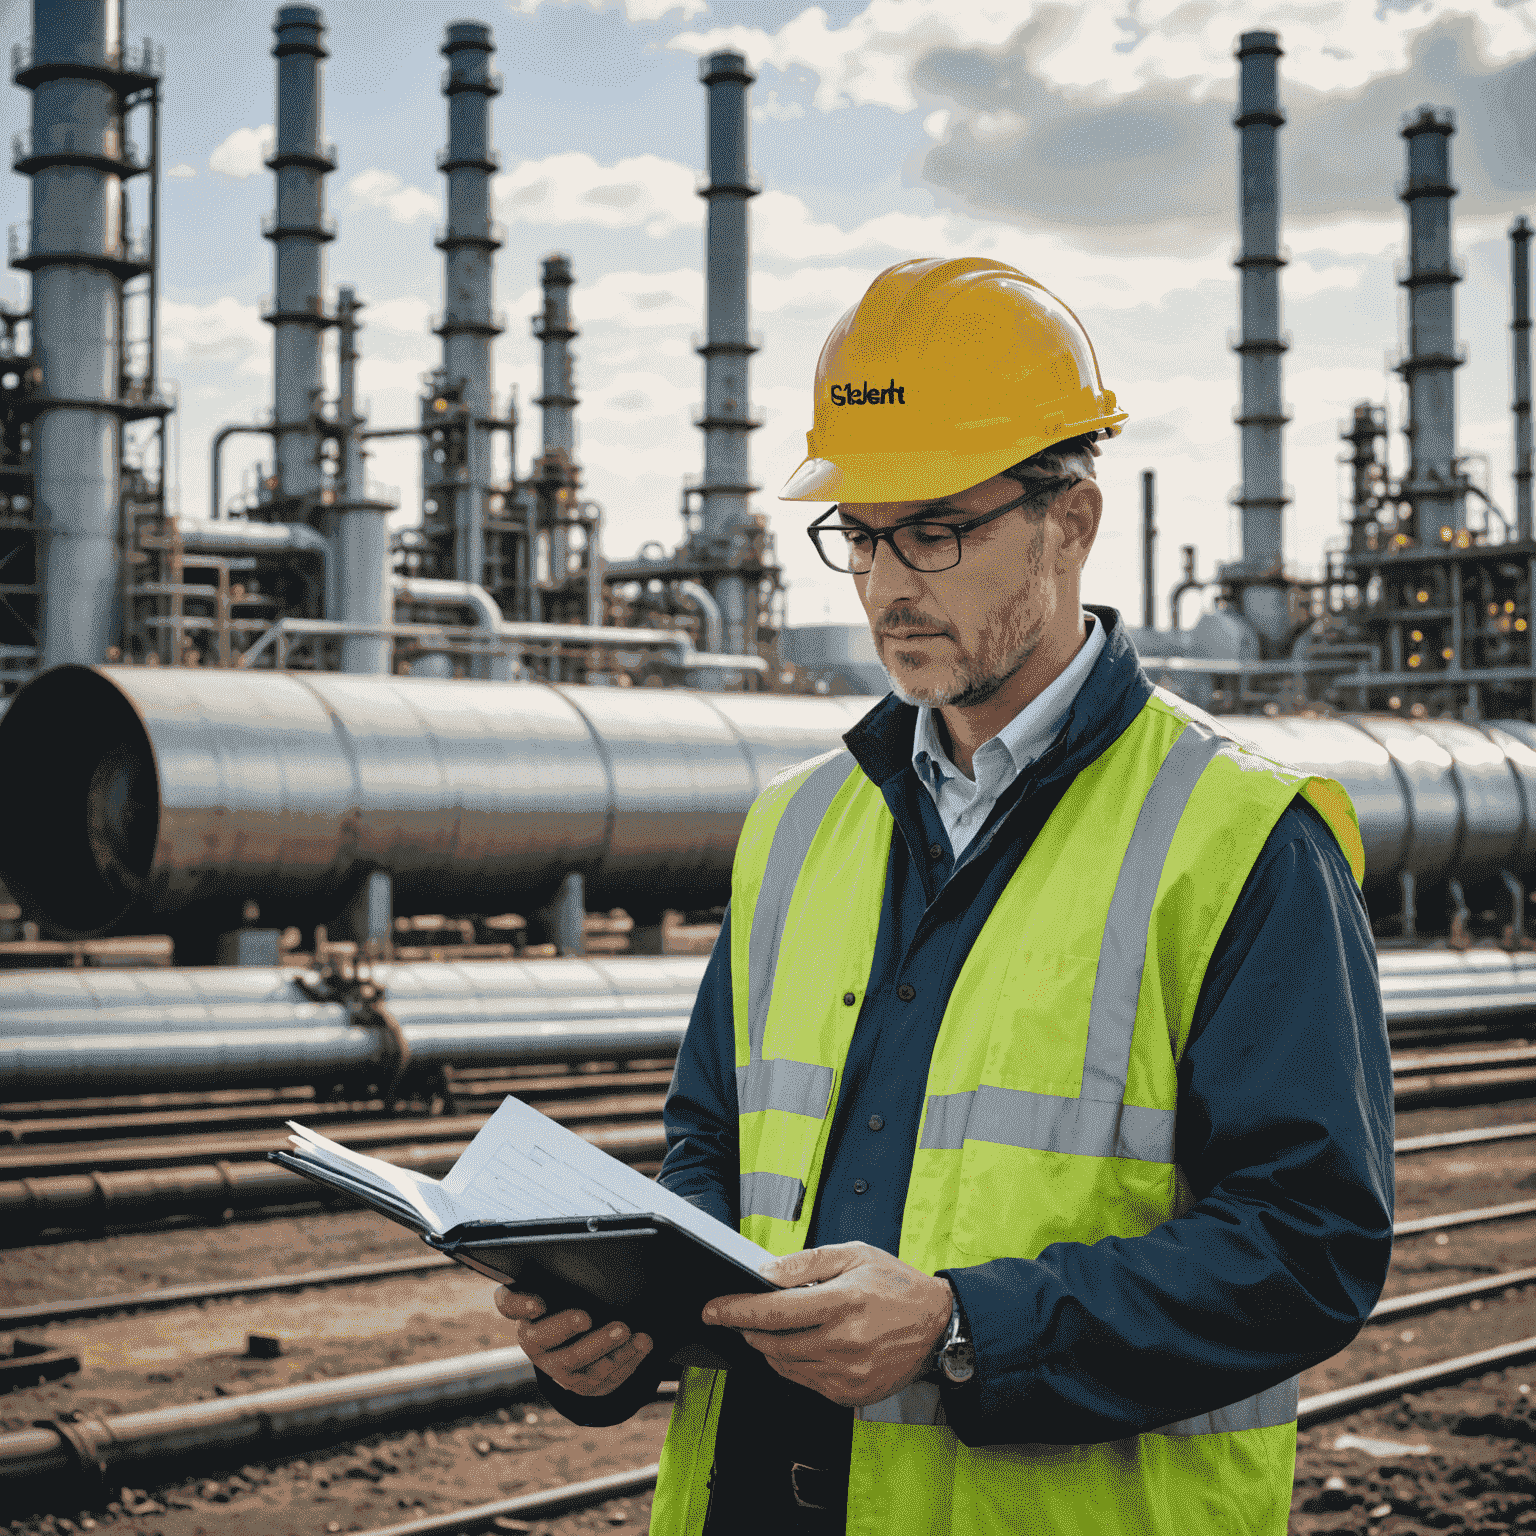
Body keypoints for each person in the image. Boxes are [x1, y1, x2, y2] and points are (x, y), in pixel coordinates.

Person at [494, 256, 1394, 1534]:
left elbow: (1308, 1249)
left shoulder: (1240, 837)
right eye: (859, 533)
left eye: (933, 530)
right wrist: (625, 1324)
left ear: (1069, 520)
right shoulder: (799, 826)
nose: (884, 585)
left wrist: (963, 1330)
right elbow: (713, 1148)